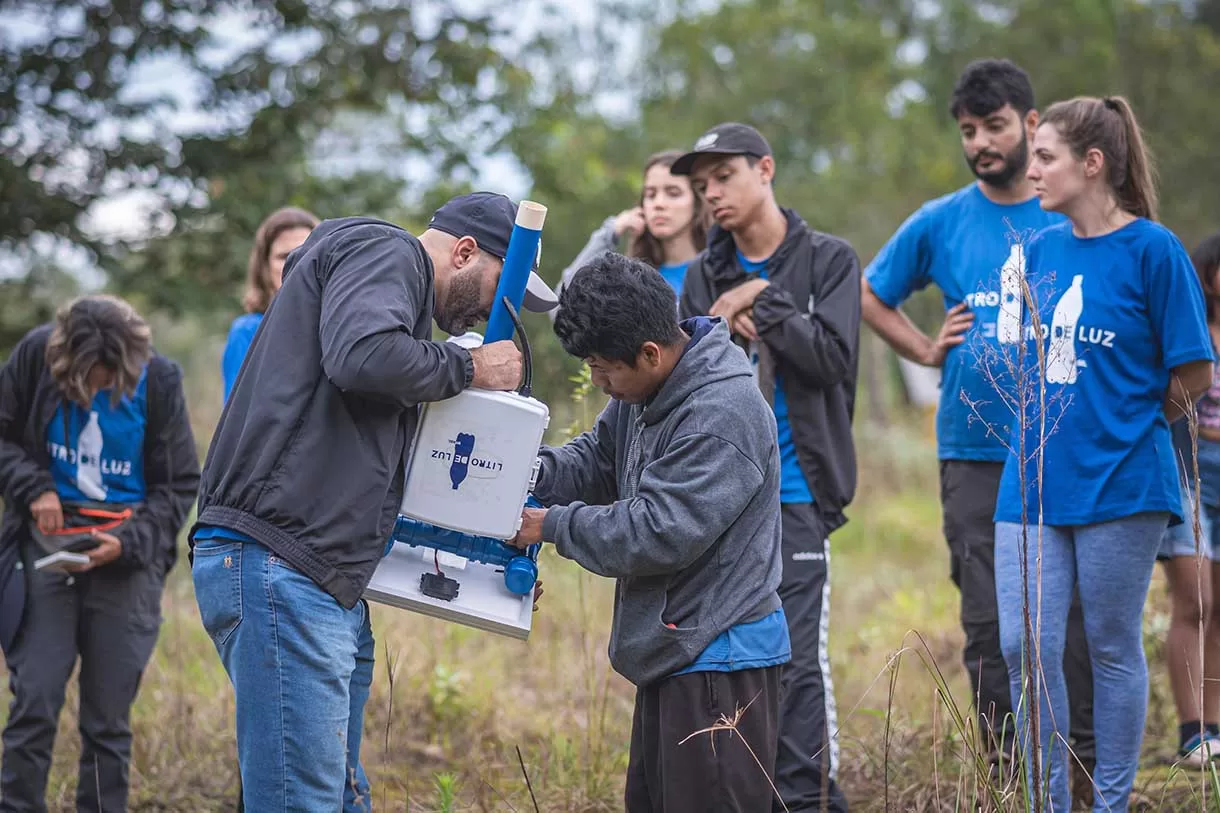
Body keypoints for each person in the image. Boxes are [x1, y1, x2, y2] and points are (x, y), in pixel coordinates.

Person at [189, 192, 557, 811]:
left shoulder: (397, 310)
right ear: (464, 252)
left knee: (340, 795)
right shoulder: (387, 252)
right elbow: (361, 356)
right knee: (300, 801)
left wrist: (489, 568)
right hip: (282, 568)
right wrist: (472, 369)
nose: (503, 309)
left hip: (315, 579)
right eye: (503, 287)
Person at [860, 58, 1096, 788]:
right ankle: (1008, 779)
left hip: (1066, 448)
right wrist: (927, 349)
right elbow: (870, 294)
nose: (982, 143)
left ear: (1031, 123)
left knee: (1074, 627)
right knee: (992, 629)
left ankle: (1080, 778)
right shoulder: (940, 220)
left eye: (995, 126)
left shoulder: (1065, 206)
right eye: (969, 131)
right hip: (972, 451)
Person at [994, 95, 1214, 811]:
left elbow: (1194, 371)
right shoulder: (1034, 251)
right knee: (1024, 646)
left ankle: (1110, 802)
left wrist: (1138, 424)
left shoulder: (1154, 250)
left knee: (1112, 645)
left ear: (1093, 164)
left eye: (1047, 156)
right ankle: (1050, 800)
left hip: (1124, 479)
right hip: (1030, 482)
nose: (1033, 171)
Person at [513, 252, 790, 812]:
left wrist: (548, 525)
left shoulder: (722, 410)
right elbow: (598, 459)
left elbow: (660, 529)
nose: (600, 383)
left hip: (720, 661)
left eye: (604, 368)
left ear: (650, 352)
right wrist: (525, 473)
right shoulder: (646, 389)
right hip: (674, 646)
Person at [674, 122, 860, 813]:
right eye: (702, 185)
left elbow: (834, 361)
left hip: (798, 490)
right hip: (722, 501)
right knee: (729, 656)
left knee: (796, 661)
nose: (711, 194)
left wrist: (762, 299)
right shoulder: (700, 275)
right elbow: (684, 384)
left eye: (724, 177)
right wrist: (720, 315)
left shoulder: (829, 261)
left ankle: (810, 801)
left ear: (766, 169)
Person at [0, 295, 200, 812]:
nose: (95, 389)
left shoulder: (159, 381)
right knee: (35, 702)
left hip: (125, 557)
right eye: (87, 378)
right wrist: (33, 488)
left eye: (108, 379)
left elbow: (179, 485)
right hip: (45, 550)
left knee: (107, 720)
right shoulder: (34, 357)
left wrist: (128, 543)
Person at [1157, 230, 1220, 766]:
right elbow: (1178, 397)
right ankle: (1190, 727)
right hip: (1189, 472)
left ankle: (1215, 725)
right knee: (1195, 599)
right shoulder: (1191, 326)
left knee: (1219, 605)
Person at [552, 149, 708, 308]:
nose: (658, 203)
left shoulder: (719, 269)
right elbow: (561, 306)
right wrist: (611, 231)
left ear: (697, 202)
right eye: (650, 194)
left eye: (673, 193)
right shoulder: (632, 279)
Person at [222, 206, 319, 402]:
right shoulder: (248, 332)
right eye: (284, 256)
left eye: (305, 253)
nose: (296, 263)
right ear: (264, 266)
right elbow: (238, 415)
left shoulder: (335, 327)